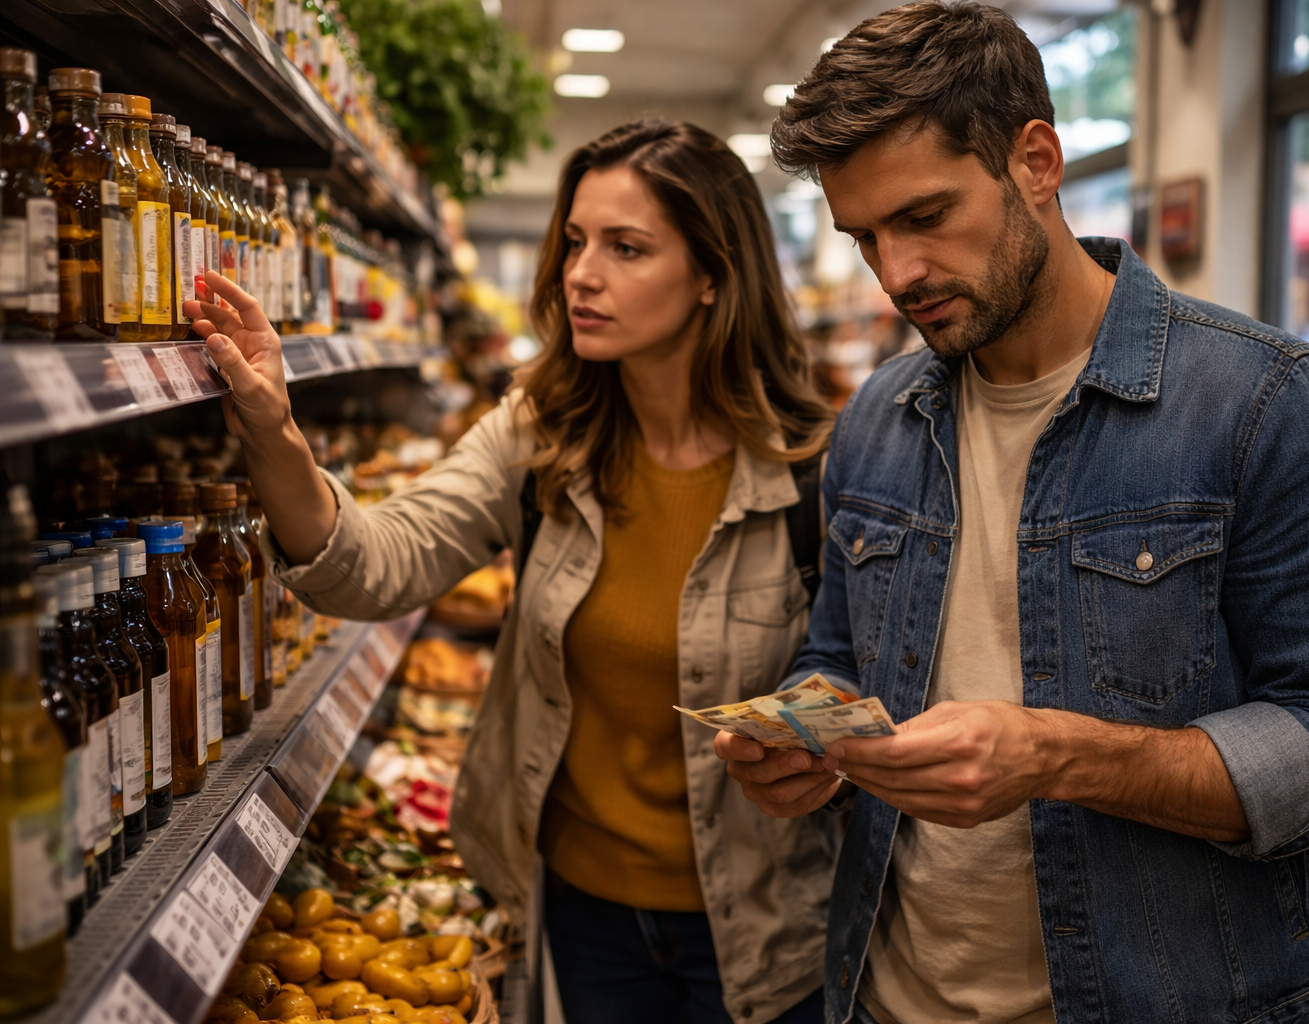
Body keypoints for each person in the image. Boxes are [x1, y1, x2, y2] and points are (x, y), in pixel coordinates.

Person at [715, 4, 1309, 1024]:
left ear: (1035, 159)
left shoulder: (1262, 401)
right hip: (888, 995)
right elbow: (844, 654)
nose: (896, 274)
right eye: (864, 237)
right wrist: (803, 730)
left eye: (924, 216)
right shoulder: (877, 416)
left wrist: (1061, 755)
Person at [189, 119, 836, 1024]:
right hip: (582, 912)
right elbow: (374, 566)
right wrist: (275, 432)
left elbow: (859, 686)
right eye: (574, 241)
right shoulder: (542, 434)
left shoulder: (817, 468)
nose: (582, 272)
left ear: (712, 276)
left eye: (626, 247)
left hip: (769, 931)